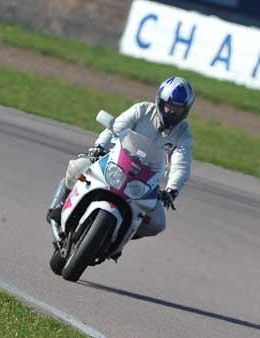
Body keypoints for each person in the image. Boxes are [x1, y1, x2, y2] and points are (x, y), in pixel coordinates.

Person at [46, 76, 195, 240]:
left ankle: (120, 235)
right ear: (160, 101)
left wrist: (172, 190)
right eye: (168, 105)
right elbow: (115, 128)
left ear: (185, 110)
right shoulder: (143, 110)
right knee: (78, 168)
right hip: (116, 163)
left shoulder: (183, 134)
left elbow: (181, 164)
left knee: (157, 223)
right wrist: (100, 147)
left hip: (145, 181)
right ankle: (60, 205)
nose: (171, 111)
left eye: (177, 109)